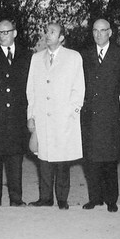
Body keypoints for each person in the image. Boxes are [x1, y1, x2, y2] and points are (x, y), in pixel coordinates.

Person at [26, 22, 85, 210]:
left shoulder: (73, 57)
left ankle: (62, 199)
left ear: (61, 38)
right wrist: (31, 116)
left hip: (64, 119)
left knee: (62, 161)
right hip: (42, 118)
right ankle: (45, 198)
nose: (48, 34)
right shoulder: (36, 58)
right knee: (43, 159)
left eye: (53, 32)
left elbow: (79, 89)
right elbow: (31, 91)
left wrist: (72, 113)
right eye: (47, 31)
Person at [0, 19, 32, 208]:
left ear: (15, 33)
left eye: (6, 32)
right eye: (0, 32)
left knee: (15, 159)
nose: (2, 36)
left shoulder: (27, 56)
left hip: (17, 119)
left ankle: (16, 199)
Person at [80, 18, 120, 213]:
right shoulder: (84, 55)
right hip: (89, 117)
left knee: (109, 161)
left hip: (111, 117)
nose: (99, 34)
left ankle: (111, 200)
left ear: (110, 32)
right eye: (95, 31)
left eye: (103, 30)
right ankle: (94, 198)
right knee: (91, 161)